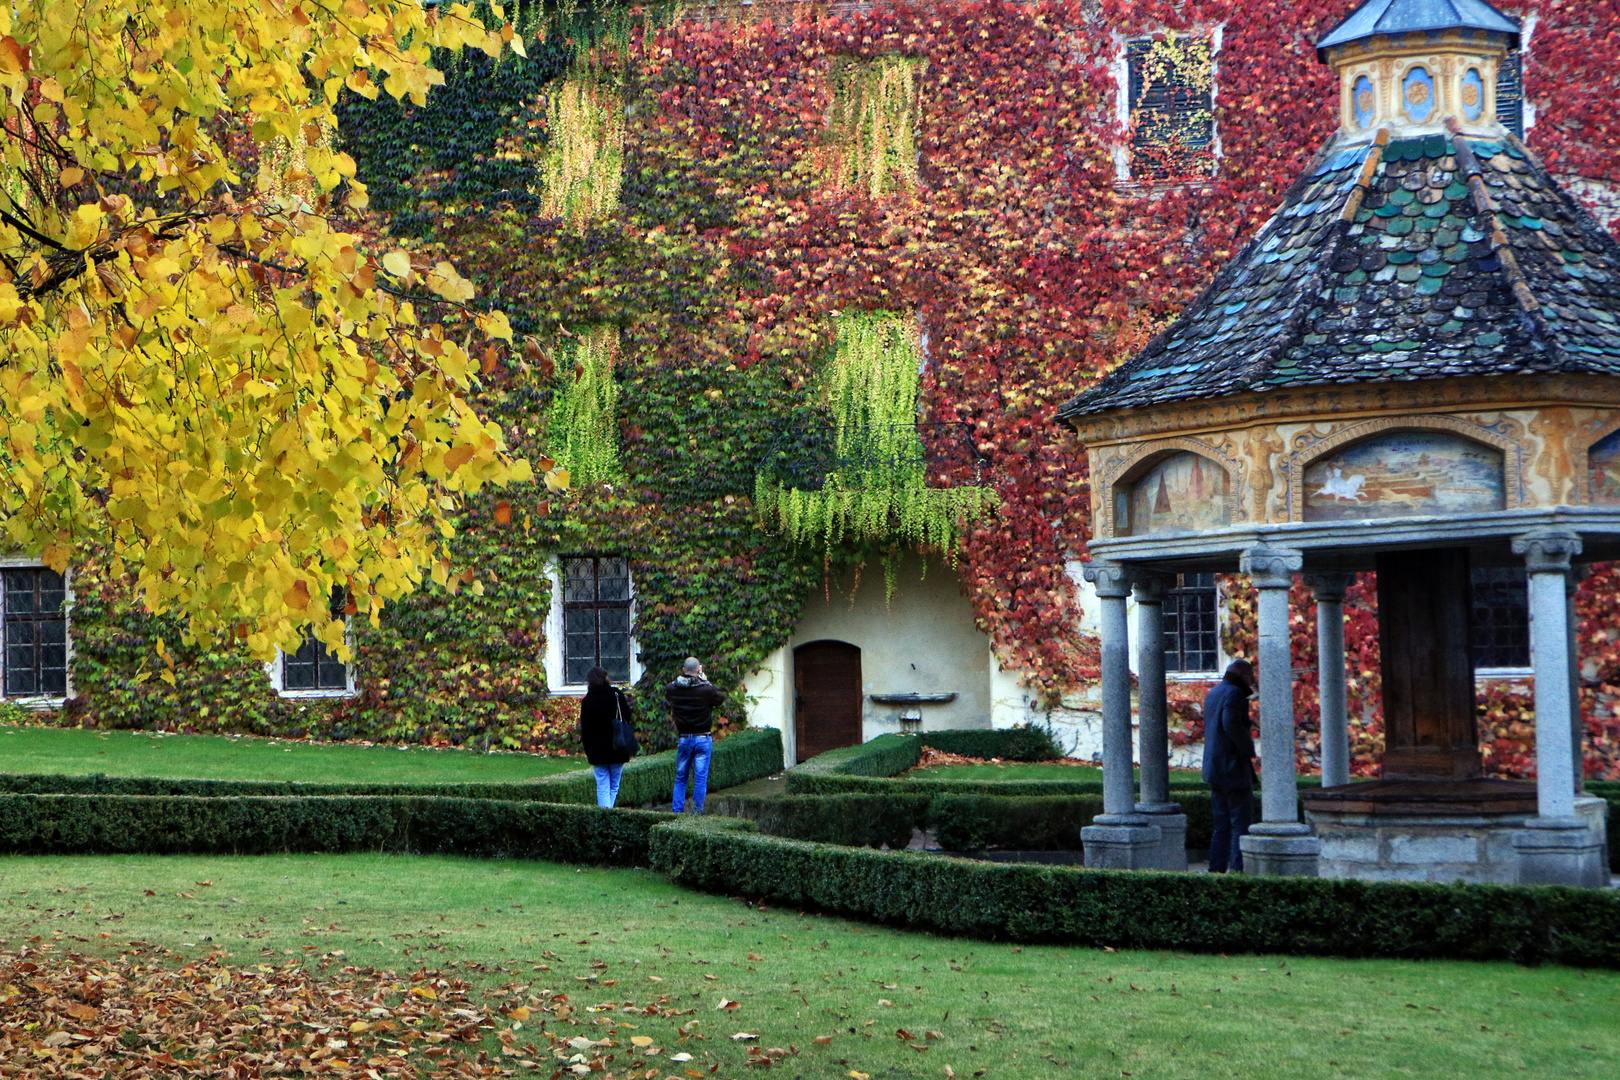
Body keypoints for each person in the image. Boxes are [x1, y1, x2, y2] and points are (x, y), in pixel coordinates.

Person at [1201, 658, 1257, 873]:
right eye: (1250, 676)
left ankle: (1215, 870)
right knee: (1240, 823)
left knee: (1221, 824)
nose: (1252, 681)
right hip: (1232, 767)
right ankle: (1237, 872)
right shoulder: (1235, 693)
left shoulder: (1213, 692)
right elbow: (1231, 723)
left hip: (1214, 768)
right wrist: (1247, 748)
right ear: (1242, 676)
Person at [665, 656, 723, 813]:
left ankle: (677, 812)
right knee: (700, 779)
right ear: (699, 669)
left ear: (683, 670)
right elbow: (719, 699)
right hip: (702, 738)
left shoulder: (672, 689)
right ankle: (697, 812)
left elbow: (670, 691)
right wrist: (705, 681)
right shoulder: (706, 690)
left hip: (684, 738)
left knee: (681, 778)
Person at [578, 666, 634, 808]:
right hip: (617, 745)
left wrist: (588, 750)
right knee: (614, 785)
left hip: (597, 748)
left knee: (602, 785)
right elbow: (628, 716)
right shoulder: (615, 694)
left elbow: (585, 729)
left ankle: (605, 815)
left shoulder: (587, 700)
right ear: (606, 677)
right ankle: (608, 813)